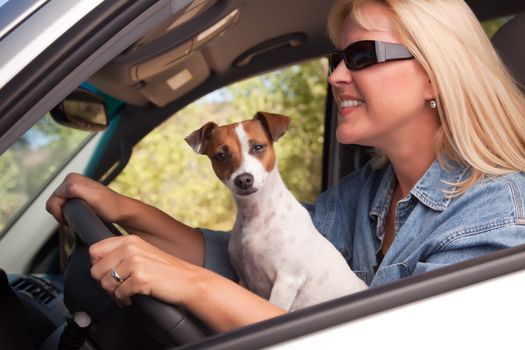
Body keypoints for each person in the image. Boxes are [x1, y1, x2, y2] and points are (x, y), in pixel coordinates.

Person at [46, 0, 525, 333]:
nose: (335, 75)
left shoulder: (497, 218)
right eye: (338, 58)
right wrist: (122, 208)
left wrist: (190, 284)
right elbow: (250, 260)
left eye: (360, 56)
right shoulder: (363, 193)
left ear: (436, 74)